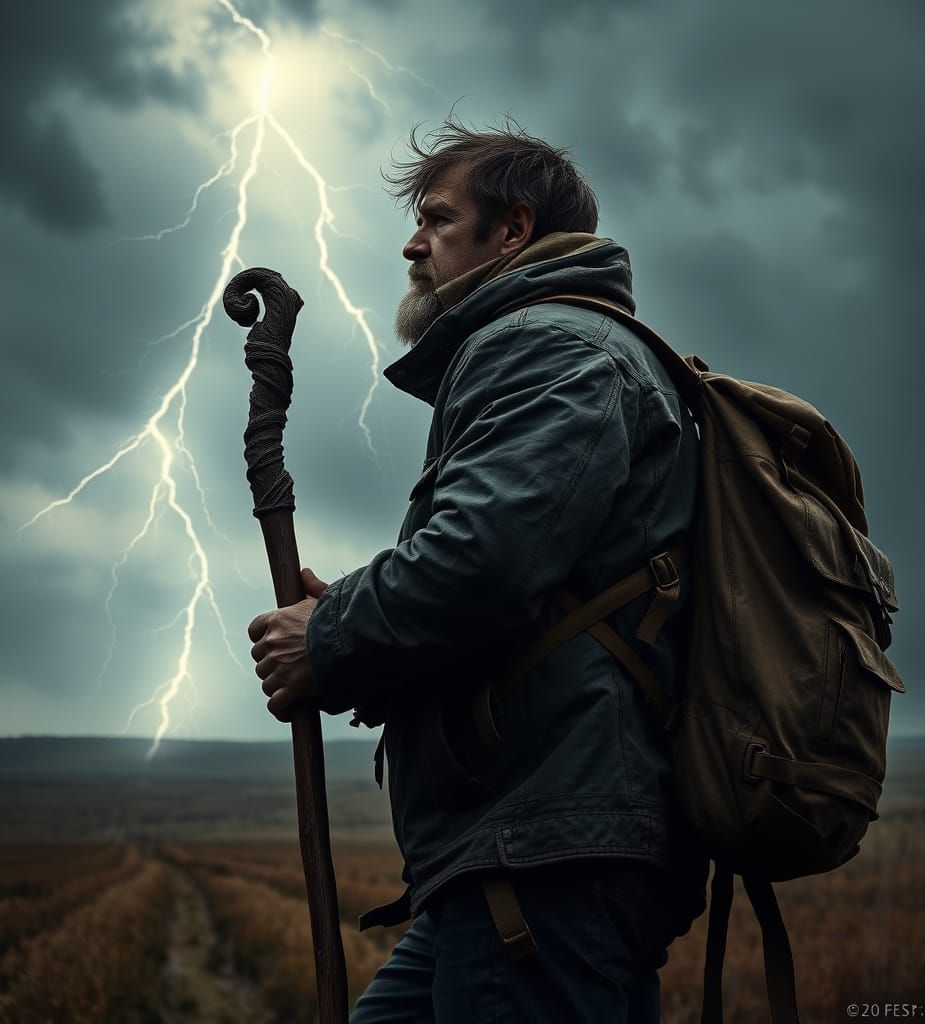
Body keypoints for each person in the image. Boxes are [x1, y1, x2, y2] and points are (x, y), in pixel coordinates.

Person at [247, 118, 706, 1023]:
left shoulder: (545, 344)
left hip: (540, 861)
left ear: (514, 231)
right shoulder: (562, 346)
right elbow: (527, 597)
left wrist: (330, 639)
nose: (412, 243)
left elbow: (484, 564)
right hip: (522, 852)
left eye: (437, 218)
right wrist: (355, 628)